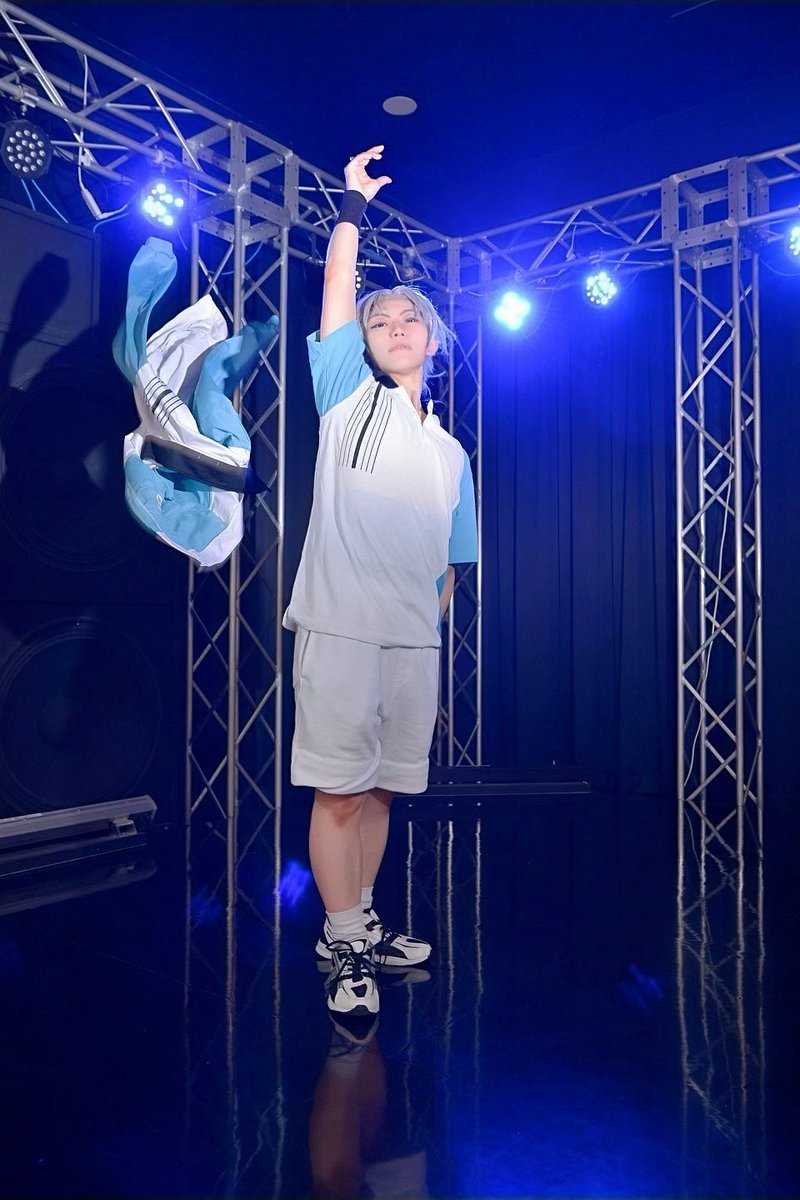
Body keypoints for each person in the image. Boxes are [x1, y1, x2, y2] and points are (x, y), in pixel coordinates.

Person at [283, 146, 478, 1015]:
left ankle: (360, 921)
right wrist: (352, 207)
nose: (395, 327)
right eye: (380, 321)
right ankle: (341, 941)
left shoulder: (452, 452)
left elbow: (450, 565)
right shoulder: (345, 399)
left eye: (409, 319)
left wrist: (426, 629)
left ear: (432, 339)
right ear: (363, 344)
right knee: (338, 791)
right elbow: (337, 286)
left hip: (411, 646)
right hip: (341, 629)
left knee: (384, 790)